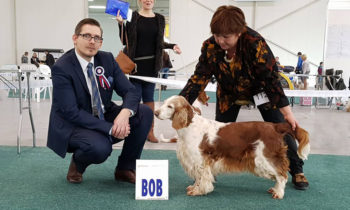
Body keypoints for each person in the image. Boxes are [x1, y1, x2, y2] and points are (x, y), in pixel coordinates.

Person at [179, 5, 309, 190]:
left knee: (279, 129)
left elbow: (271, 80)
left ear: (239, 32)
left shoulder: (255, 43)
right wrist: (181, 104)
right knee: (219, 136)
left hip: (260, 91)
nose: (220, 41)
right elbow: (198, 78)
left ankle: (297, 170)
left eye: (226, 37)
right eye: (216, 35)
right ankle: (207, 174)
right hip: (228, 94)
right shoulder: (210, 47)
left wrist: (287, 113)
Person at [47, 18, 153, 184]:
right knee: (101, 148)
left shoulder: (107, 59)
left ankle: (125, 168)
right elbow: (71, 112)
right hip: (73, 124)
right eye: (87, 36)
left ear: (101, 42)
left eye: (97, 38)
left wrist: (125, 113)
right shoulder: (62, 67)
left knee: (144, 112)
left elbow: (130, 91)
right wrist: (111, 128)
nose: (92, 41)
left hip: (102, 113)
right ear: (75, 38)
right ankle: (78, 164)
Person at [116, 0, 181, 143]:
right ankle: (133, 130)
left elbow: (159, 43)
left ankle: (149, 131)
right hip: (135, 66)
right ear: (139, 1)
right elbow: (125, 41)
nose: (148, 0)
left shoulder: (160, 18)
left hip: (152, 66)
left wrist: (172, 46)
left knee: (149, 98)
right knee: (134, 98)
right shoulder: (132, 16)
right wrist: (121, 24)